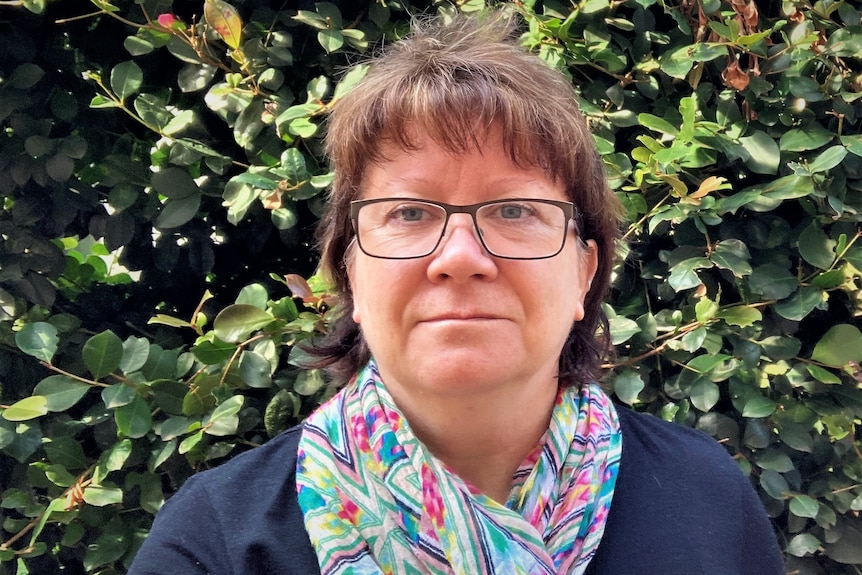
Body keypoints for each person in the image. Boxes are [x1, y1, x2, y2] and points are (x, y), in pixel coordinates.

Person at [129, 10, 785, 575]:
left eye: (515, 210)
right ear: (351, 270)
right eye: (410, 213)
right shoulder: (213, 540)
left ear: (585, 272)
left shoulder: (709, 503)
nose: (461, 258)